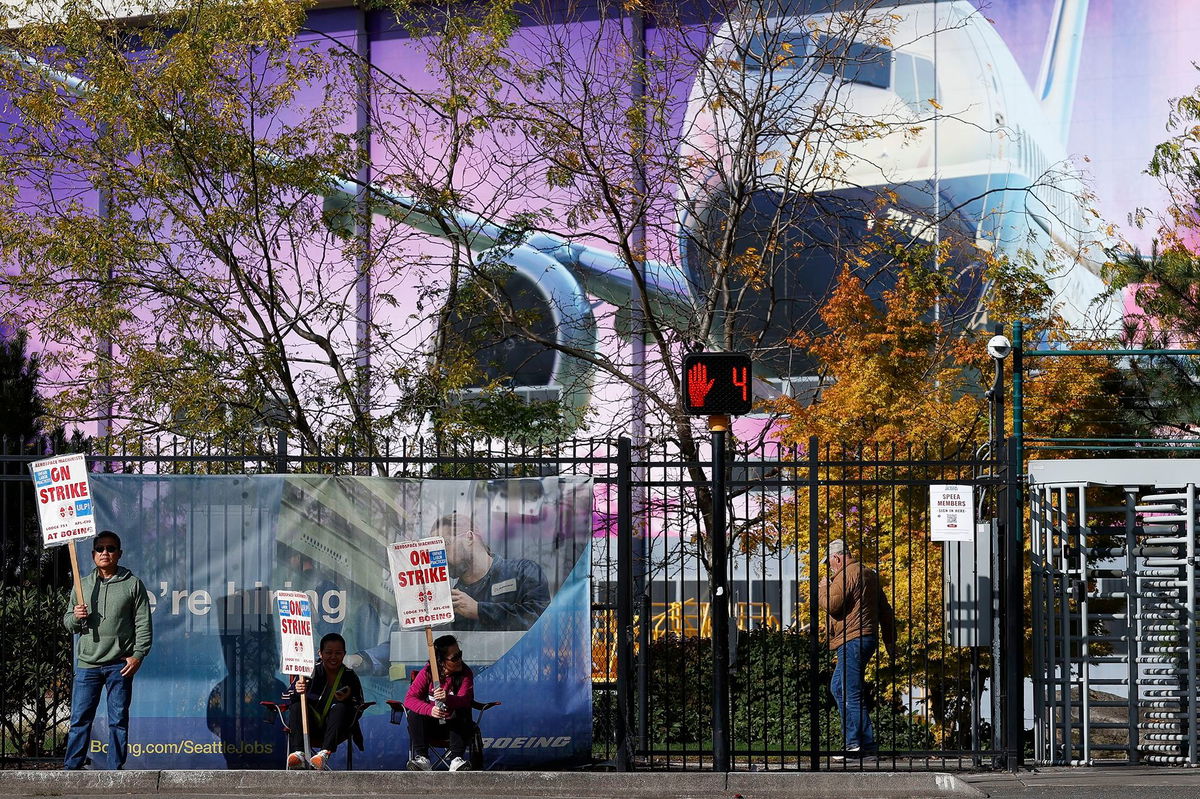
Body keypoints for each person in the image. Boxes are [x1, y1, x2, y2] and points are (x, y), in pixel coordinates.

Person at [62, 530, 153, 770]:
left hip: (118, 665)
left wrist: (138, 655)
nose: (105, 553)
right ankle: (72, 768)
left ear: (119, 553)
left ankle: (115, 770)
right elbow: (68, 622)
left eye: (111, 548)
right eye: (100, 549)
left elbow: (143, 623)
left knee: (118, 720)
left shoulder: (133, 584)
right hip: (87, 664)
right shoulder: (82, 585)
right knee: (80, 719)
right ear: (93, 555)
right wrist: (75, 617)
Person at [816, 538, 896, 759]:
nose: (830, 567)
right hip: (865, 638)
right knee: (839, 688)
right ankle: (858, 743)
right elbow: (885, 610)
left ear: (837, 558)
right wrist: (890, 641)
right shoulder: (869, 574)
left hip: (851, 639)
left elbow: (832, 605)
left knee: (850, 691)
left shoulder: (844, 575)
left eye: (830, 562)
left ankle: (860, 745)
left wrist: (823, 589)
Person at [435, 513, 550, 631]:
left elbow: (539, 620)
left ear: (469, 538)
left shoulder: (522, 572)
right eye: (434, 551)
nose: (438, 555)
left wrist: (479, 610)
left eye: (443, 544)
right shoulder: (454, 600)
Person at [286, 632, 364, 770]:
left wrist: (348, 700)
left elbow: (359, 706)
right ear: (320, 653)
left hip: (336, 730)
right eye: (328, 653)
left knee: (341, 708)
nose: (333, 657)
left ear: (344, 654)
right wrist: (297, 690)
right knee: (297, 705)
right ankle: (299, 754)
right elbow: (287, 697)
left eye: (338, 653)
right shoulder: (308, 672)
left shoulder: (349, 676)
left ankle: (323, 754)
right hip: (309, 728)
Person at [404, 634, 474, 771]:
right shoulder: (428, 672)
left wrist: (448, 699)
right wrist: (429, 710)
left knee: (463, 709)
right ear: (441, 661)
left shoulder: (465, 673)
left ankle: (456, 759)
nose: (459, 660)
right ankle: (422, 758)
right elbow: (409, 699)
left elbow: (466, 699)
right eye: (455, 657)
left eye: (460, 654)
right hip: (432, 726)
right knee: (414, 714)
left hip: (455, 728)